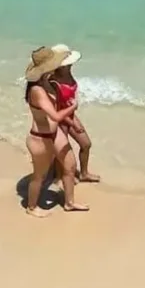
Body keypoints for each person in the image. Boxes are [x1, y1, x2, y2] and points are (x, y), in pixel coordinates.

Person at [24, 46, 89, 217]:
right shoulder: (37, 90)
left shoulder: (49, 83)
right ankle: (31, 207)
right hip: (40, 137)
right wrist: (73, 107)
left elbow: (58, 110)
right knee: (39, 176)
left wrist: (72, 122)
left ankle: (69, 203)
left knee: (70, 166)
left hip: (55, 134)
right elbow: (55, 115)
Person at [50, 44, 100, 184]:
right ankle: (59, 177)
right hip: (60, 118)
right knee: (62, 150)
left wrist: (73, 115)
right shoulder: (54, 82)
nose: (71, 65)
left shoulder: (68, 73)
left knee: (86, 144)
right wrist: (72, 123)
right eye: (68, 64)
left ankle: (84, 174)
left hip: (70, 114)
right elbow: (56, 109)